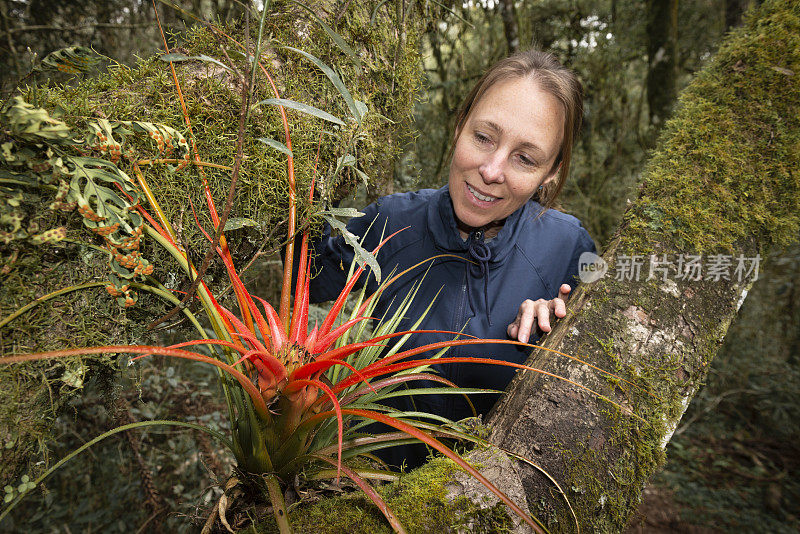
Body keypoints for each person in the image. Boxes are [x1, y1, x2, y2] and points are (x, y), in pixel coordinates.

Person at [305, 49, 596, 469]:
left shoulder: (569, 244)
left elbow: (615, 318)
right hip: (365, 488)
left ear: (551, 172)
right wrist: (310, 179)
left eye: (525, 158)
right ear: (459, 126)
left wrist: (563, 320)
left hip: (490, 505)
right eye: (483, 137)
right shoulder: (392, 221)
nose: (492, 170)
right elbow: (308, 276)